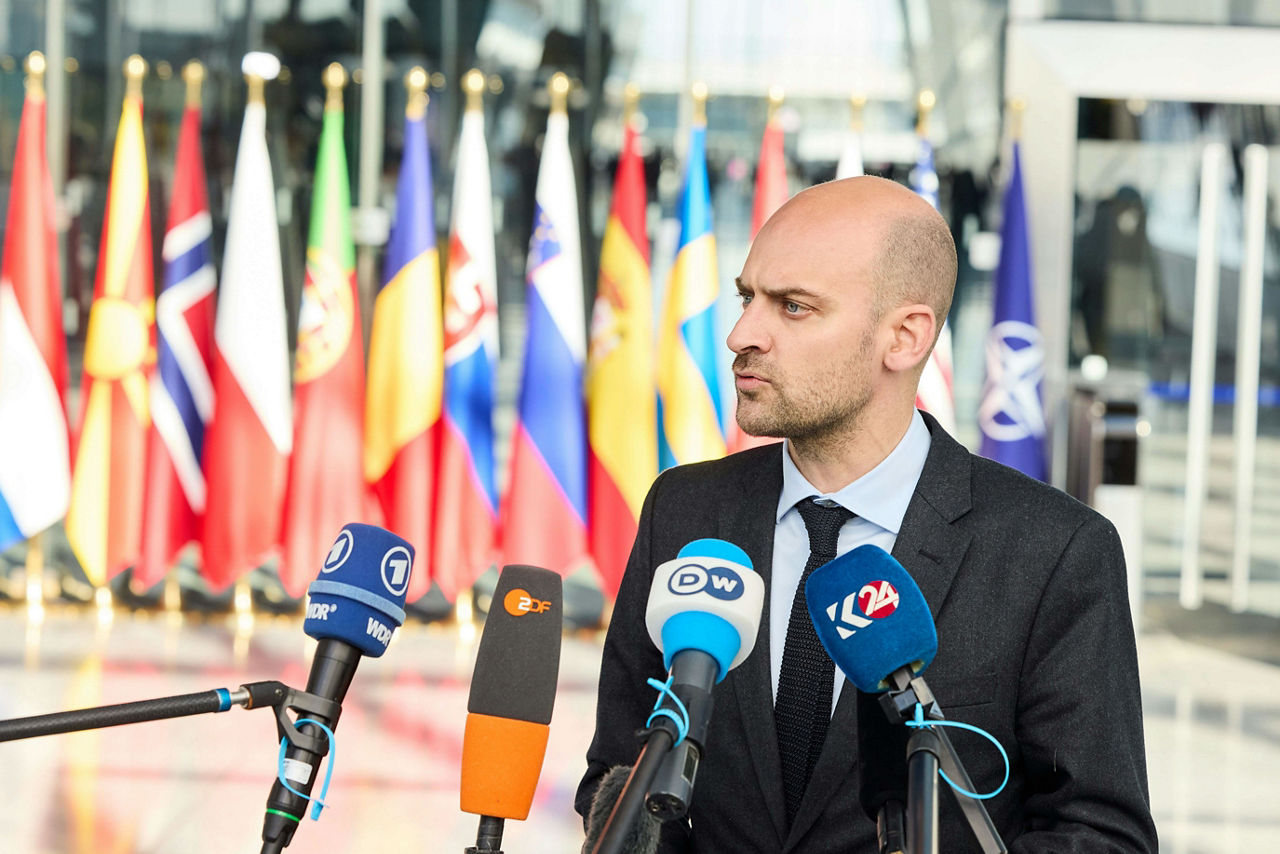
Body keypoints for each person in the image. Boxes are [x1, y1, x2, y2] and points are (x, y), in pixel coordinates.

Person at [576, 176, 1157, 852]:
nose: (740, 334)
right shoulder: (685, 510)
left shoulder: (1054, 552)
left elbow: (1100, 836)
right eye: (747, 297)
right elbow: (617, 780)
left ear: (905, 338)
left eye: (793, 307)